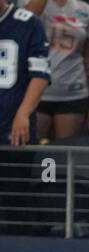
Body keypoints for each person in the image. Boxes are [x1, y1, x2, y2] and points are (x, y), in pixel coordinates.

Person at [22, 0, 89, 140]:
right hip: (36, 93)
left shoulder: (85, 9)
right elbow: (25, 23)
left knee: (64, 152)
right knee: (36, 151)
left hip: (73, 92)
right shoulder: (27, 2)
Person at [0, 0, 50, 146]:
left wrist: (23, 113)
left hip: (12, 125)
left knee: (16, 166)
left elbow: (40, 75)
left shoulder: (28, 23)